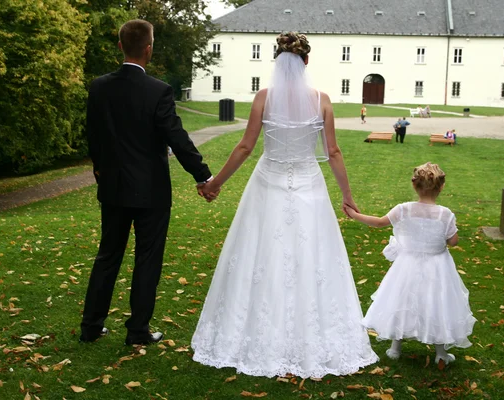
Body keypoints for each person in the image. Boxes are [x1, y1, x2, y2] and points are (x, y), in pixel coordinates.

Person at [191, 32, 378, 378]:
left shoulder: (264, 98)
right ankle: (314, 337)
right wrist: (347, 195)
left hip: (268, 183)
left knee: (261, 254)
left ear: (277, 61)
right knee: (312, 257)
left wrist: (215, 183)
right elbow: (333, 151)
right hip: (309, 183)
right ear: (306, 62)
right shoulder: (321, 99)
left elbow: (246, 147)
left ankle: (252, 334)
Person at [80, 19, 215, 346]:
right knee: (147, 259)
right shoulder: (158, 91)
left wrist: (100, 169)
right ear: (149, 49)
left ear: (119, 46)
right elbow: (177, 138)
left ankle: (91, 327)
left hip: (112, 188)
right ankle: (138, 330)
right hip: (151, 192)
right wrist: (204, 176)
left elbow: (93, 135)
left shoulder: (99, 87)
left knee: (108, 255)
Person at [346, 163, 476, 365]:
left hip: (407, 265)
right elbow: (453, 241)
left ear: (414, 185)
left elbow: (379, 222)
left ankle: (395, 347)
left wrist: (354, 215)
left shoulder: (404, 210)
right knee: (437, 303)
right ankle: (440, 352)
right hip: (438, 267)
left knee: (402, 301)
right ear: (441, 187)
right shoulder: (445, 214)